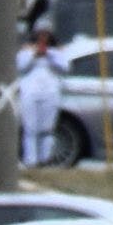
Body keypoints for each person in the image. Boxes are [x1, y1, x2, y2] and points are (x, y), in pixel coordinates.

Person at [17, 22, 68, 168]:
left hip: (50, 93)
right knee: (30, 128)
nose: (43, 37)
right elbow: (21, 66)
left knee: (47, 128)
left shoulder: (57, 52)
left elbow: (65, 67)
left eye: (46, 34)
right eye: (40, 34)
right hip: (30, 92)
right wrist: (34, 53)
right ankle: (31, 161)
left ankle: (45, 159)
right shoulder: (26, 51)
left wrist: (49, 54)